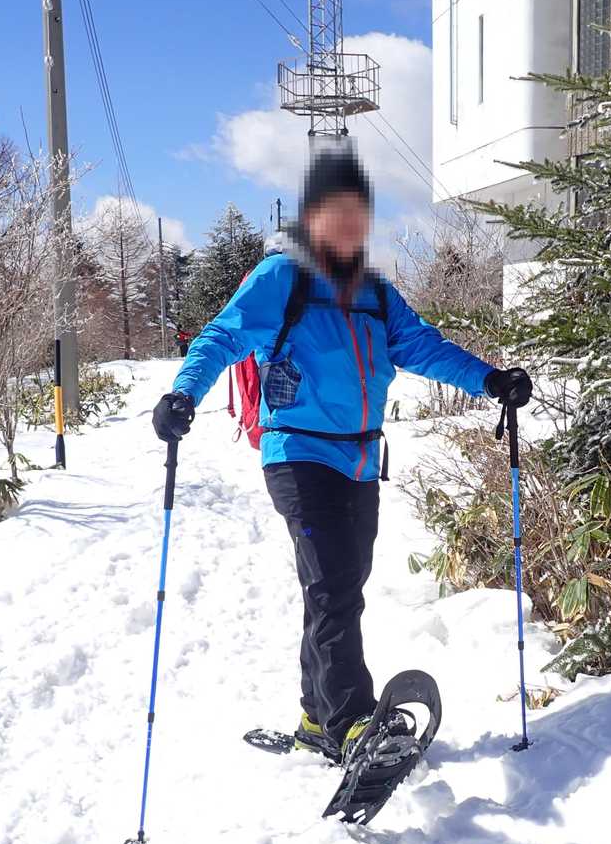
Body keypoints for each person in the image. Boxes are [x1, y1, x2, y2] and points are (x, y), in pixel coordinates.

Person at [151, 147, 532, 763]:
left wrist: (489, 380)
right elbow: (223, 336)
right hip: (298, 455)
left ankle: (315, 714)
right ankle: (353, 720)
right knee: (334, 589)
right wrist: (183, 394)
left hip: (359, 460)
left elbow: (421, 345)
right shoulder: (282, 278)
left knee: (339, 584)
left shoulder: (375, 291)